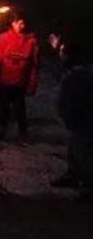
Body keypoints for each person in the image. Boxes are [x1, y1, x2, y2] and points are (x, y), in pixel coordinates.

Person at [53, 35, 93, 201]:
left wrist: (73, 115)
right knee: (74, 149)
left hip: (84, 119)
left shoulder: (82, 74)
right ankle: (74, 175)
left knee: (84, 151)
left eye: (63, 53)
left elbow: (79, 99)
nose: (61, 56)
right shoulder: (73, 70)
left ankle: (89, 187)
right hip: (77, 120)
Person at [0, 14, 39, 141]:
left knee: (19, 107)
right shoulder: (3, 37)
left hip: (20, 80)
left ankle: (23, 133)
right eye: (19, 23)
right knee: (3, 106)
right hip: (4, 78)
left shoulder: (31, 41)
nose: (21, 26)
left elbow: (34, 63)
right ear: (13, 23)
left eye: (23, 23)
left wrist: (32, 81)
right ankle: (1, 131)